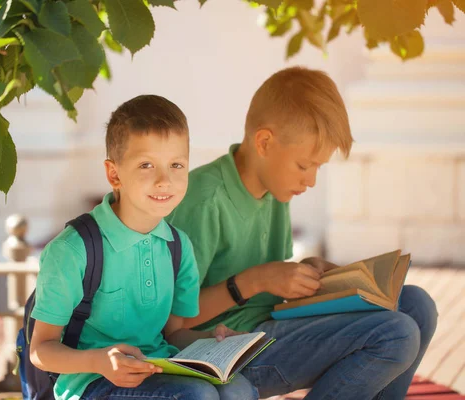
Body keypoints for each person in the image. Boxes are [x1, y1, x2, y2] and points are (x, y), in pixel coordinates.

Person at [167, 67, 438, 399]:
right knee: (396, 334)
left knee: (416, 306)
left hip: (270, 330)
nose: (310, 181)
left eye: (318, 167)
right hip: (228, 350)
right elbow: (171, 324)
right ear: (264, 143)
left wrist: (309, 276)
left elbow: (269, 292)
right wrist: (256, 280)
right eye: (304, 165)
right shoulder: (205, 201)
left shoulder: (272, 189)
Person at [29, 95, 258, 400]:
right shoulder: (74, 249)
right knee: (196, 396)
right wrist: (100, 361)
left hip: (160, 368)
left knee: (239, 390)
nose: (165, 180)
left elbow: (173, 334)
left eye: (177, 165)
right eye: (146, 165)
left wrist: (213, 340)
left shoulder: (178, 247)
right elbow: (41, 351)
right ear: (114, 174)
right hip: (92, 383)